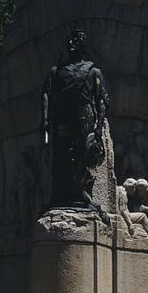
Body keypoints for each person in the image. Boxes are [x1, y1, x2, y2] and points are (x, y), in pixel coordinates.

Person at [42, 29, 110, 224]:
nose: (71, 43)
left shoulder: (93, 71)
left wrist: (98, 129)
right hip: (62, 119)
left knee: (80, 160)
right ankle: (61, 196)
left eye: (76, 40)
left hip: (83, 119)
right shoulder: (56, 71)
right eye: (70, 39)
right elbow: (46, 93)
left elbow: (101, 101)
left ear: (82, 45)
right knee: (61, 159)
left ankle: (82, 197)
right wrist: (45, 120)